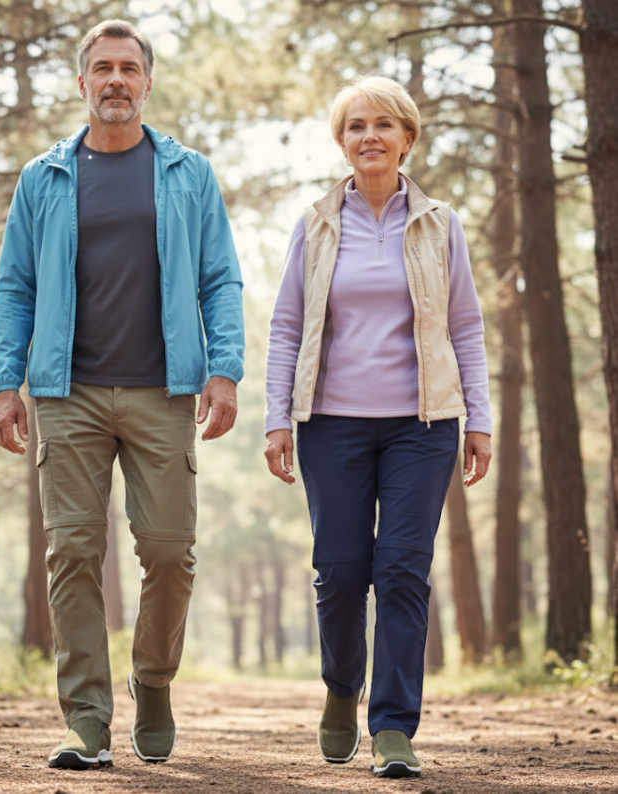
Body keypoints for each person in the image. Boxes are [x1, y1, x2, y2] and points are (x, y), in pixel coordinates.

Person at [0, 19, 244, 771]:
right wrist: (7, 384)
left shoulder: (187, 173)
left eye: (129, 68)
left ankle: (153, 679)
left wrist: (222, 369)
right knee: (71, 550)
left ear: (148, 82)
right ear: (82, 83)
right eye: (102, 68)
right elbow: (16, 287)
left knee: (169, 553)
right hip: (65, 393)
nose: (116, 80)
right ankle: (88, 722)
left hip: (164, 391)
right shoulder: (43, 177)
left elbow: (220, 278)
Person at [263, 75, 491, 779]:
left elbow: (465, 325)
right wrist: (277, 419)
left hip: (422, 425)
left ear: (407, 138)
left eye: (384, 125)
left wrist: (478, 418)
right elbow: (287, 326)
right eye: (356, 125)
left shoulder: (439, 223)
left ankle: (393, 727)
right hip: (331, 422)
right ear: (342, 140)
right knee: (339, 572)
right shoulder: (316, 222)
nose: (370, 137)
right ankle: (341, 687)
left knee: (401, 572)